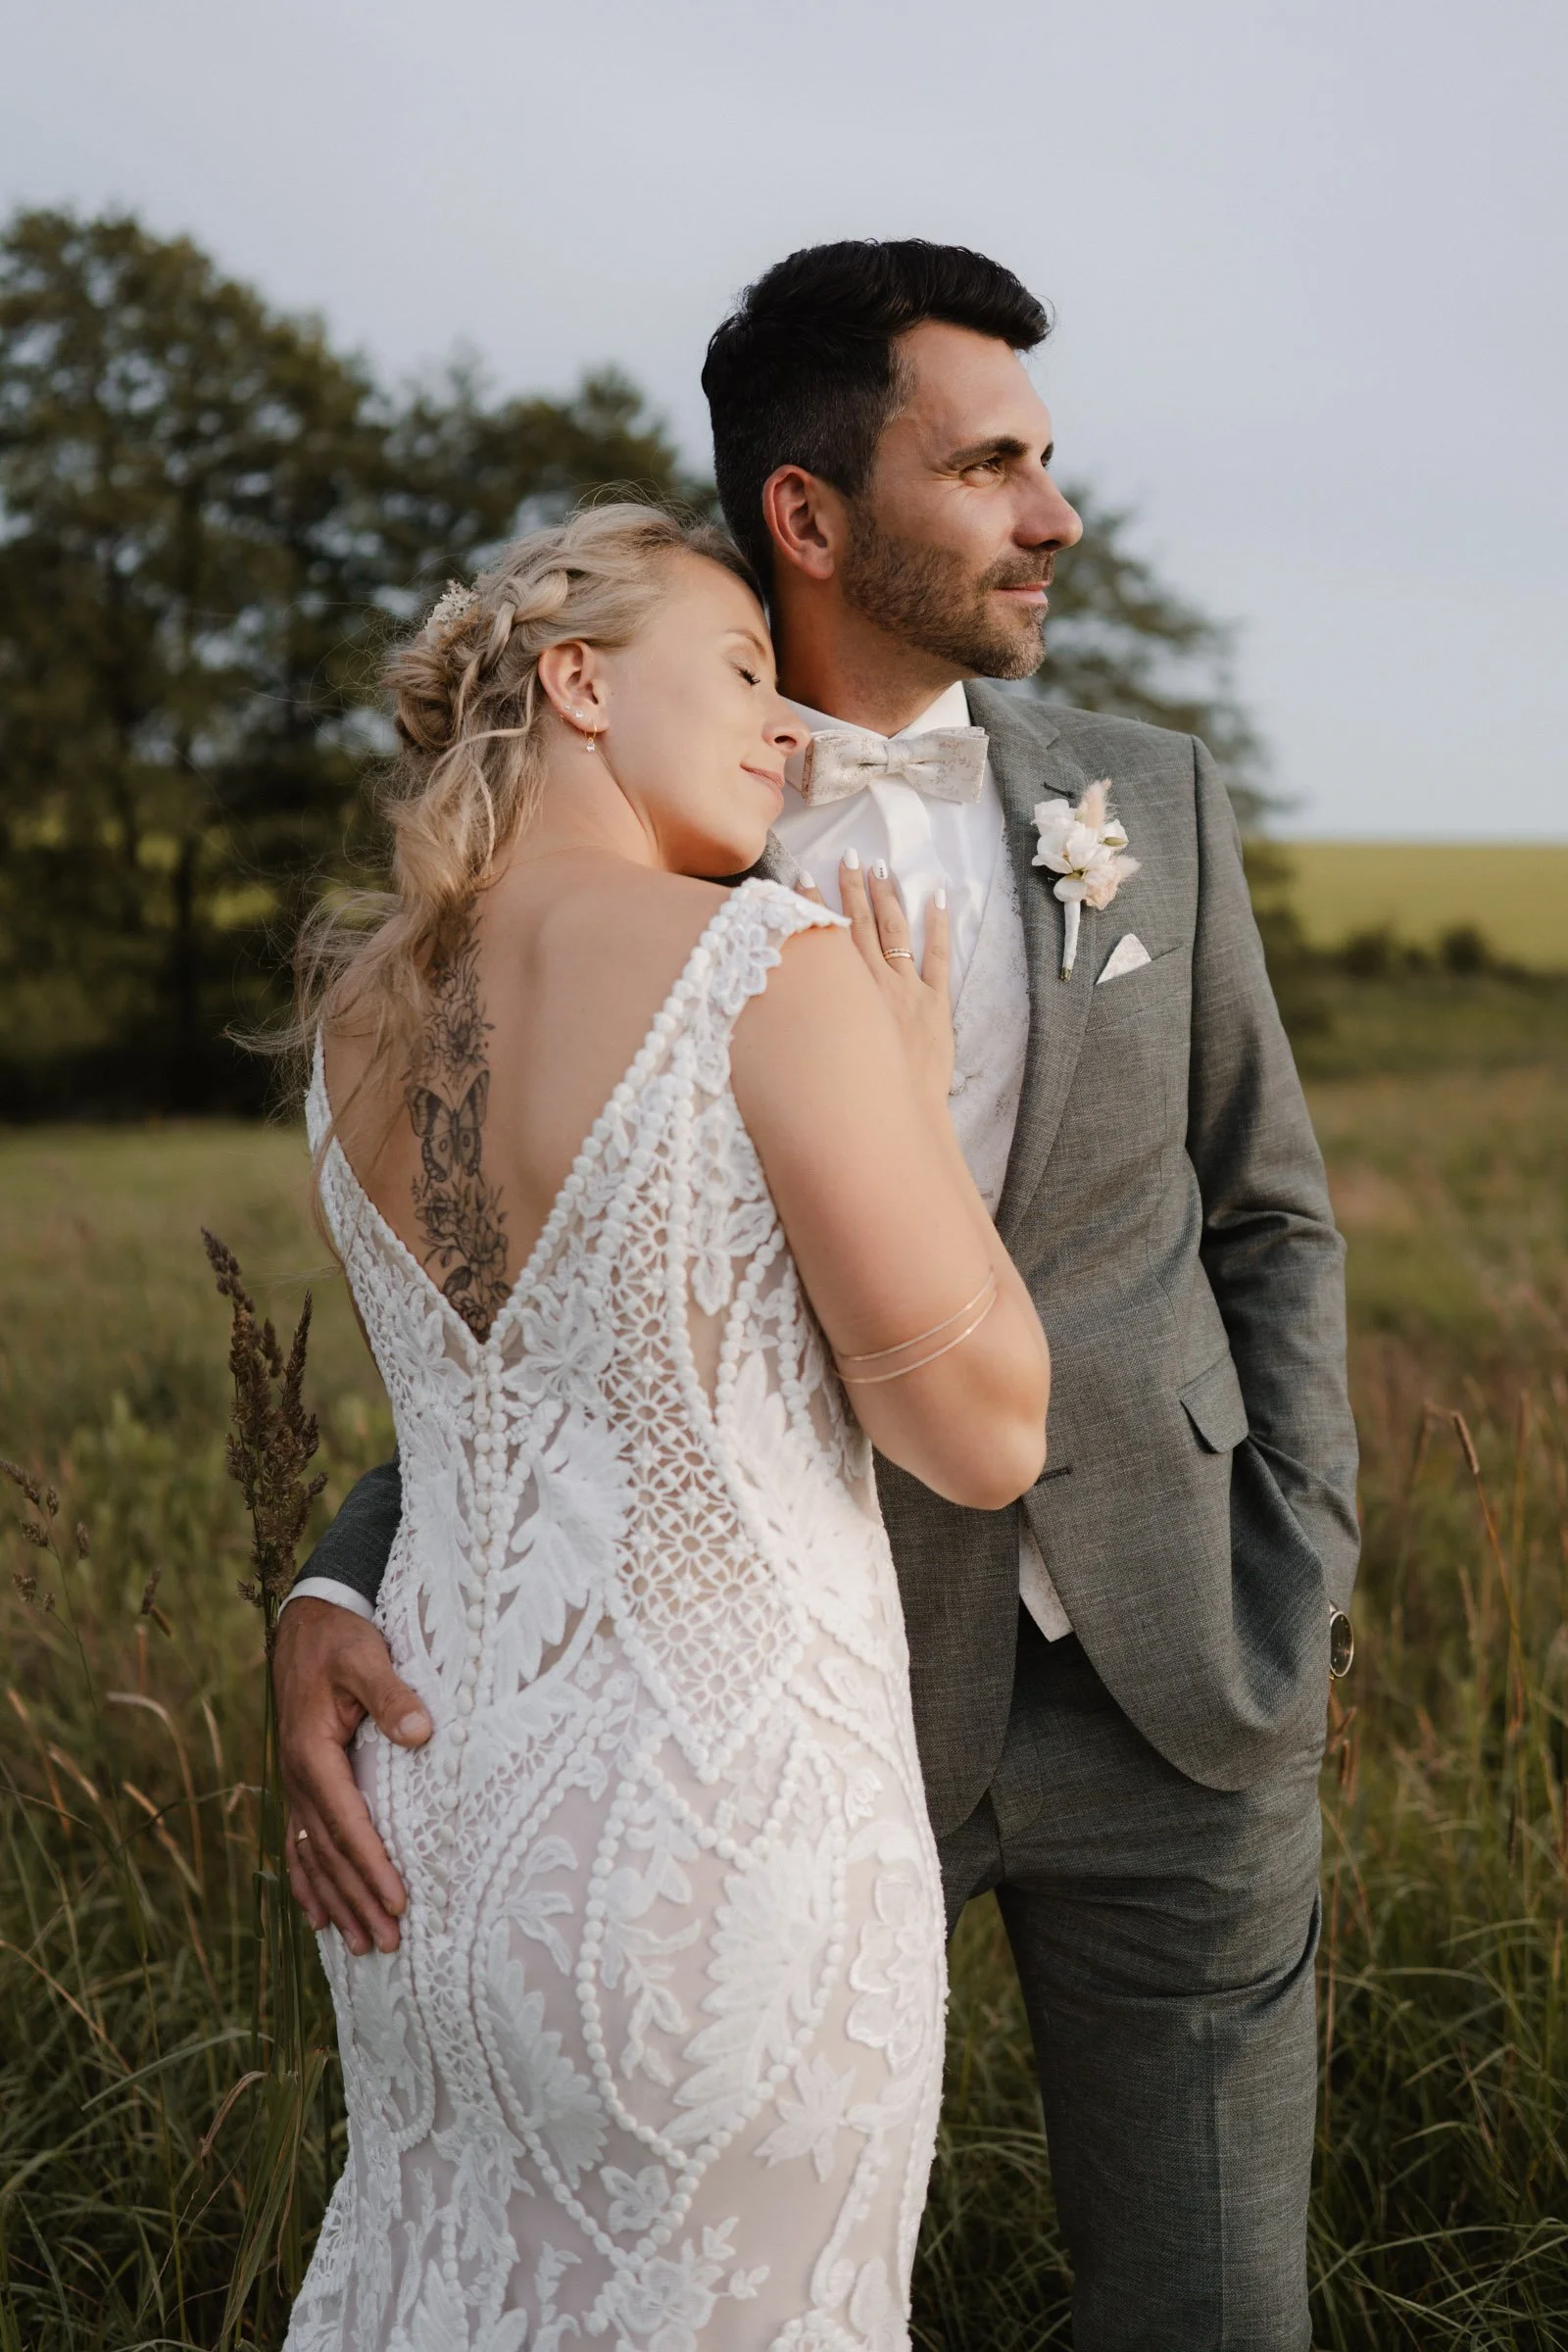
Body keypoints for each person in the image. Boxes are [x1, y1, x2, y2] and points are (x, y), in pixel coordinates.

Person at [277, 241, 1359, 2350]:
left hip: (1177, 1687)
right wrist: (342, 1578)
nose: (1054, 515)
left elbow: (1266, 1215)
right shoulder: (659, 848)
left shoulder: (1145, 797)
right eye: (988, 467)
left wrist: (1294, 1565)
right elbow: (547, 1297)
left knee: (1215, 2311)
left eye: (1048, 462)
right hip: (803, 1734)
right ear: (810, 512)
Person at [280, 501, 1051, 2351]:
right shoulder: (768, 968)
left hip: (424, 1852)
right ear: (575, 685)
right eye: (740, 673)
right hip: (717, 1866)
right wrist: (913, 1101)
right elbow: (984, 1430)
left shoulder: (361, 1027)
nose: (788, 729)